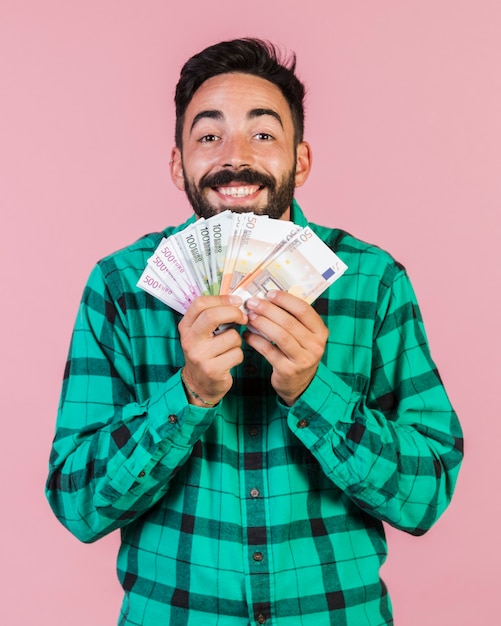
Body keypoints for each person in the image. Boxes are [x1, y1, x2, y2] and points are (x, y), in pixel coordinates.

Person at [46, 38, 463, 625]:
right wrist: (185, 398)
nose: (234, 157)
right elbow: (76, 502)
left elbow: (428, 494)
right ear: (177, 163)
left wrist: (313, 391)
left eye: (263, 134)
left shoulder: (374, 281)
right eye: (208, 135)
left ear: (302, 159)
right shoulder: (121, 285)